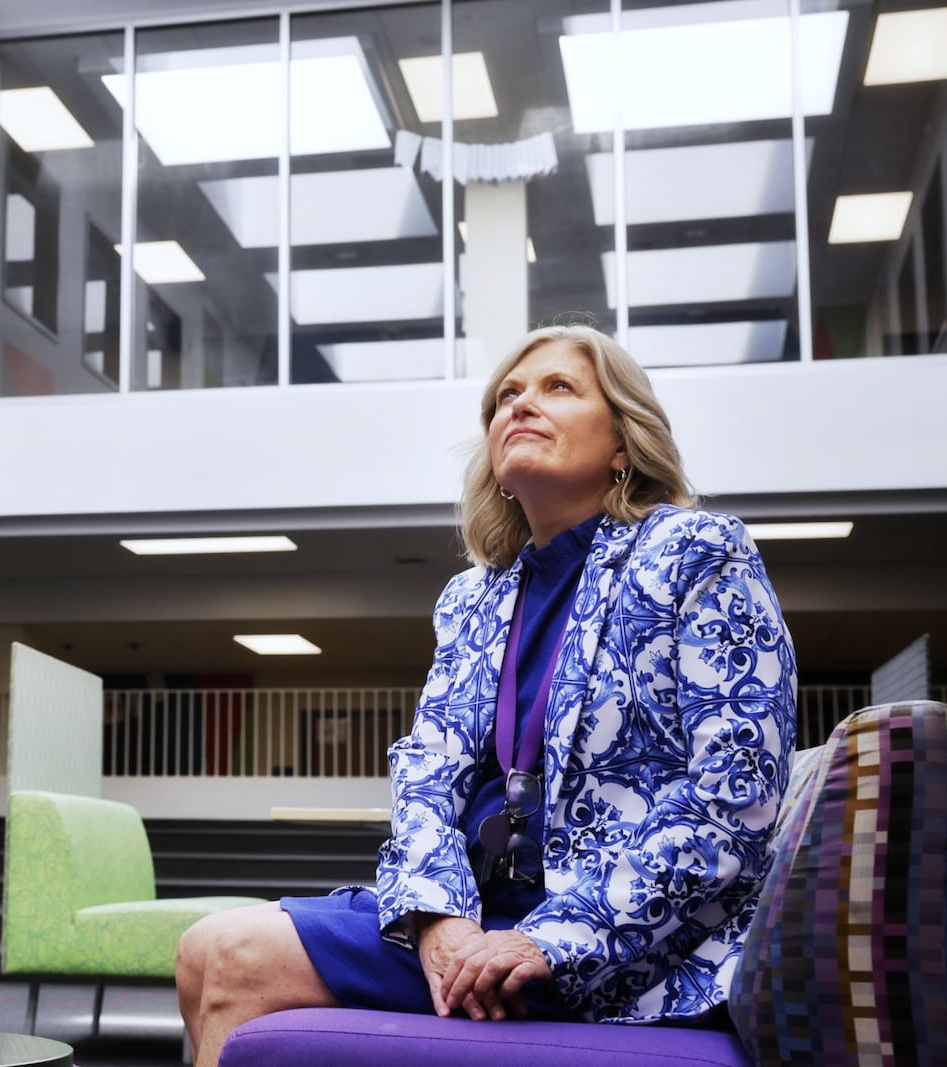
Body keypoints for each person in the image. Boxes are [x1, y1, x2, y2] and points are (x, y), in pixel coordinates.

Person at [175, 324, 798, 1065]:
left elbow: (736, 796)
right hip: (472, 911)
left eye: (558, 387)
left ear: (625, 442)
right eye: (506, 396)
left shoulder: (696, 552)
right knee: (201, 948)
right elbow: (426, 774)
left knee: (237, 955)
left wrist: (548, 937)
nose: (521, 405)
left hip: (624, 942)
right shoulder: (473, 597)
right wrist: (438, 921)